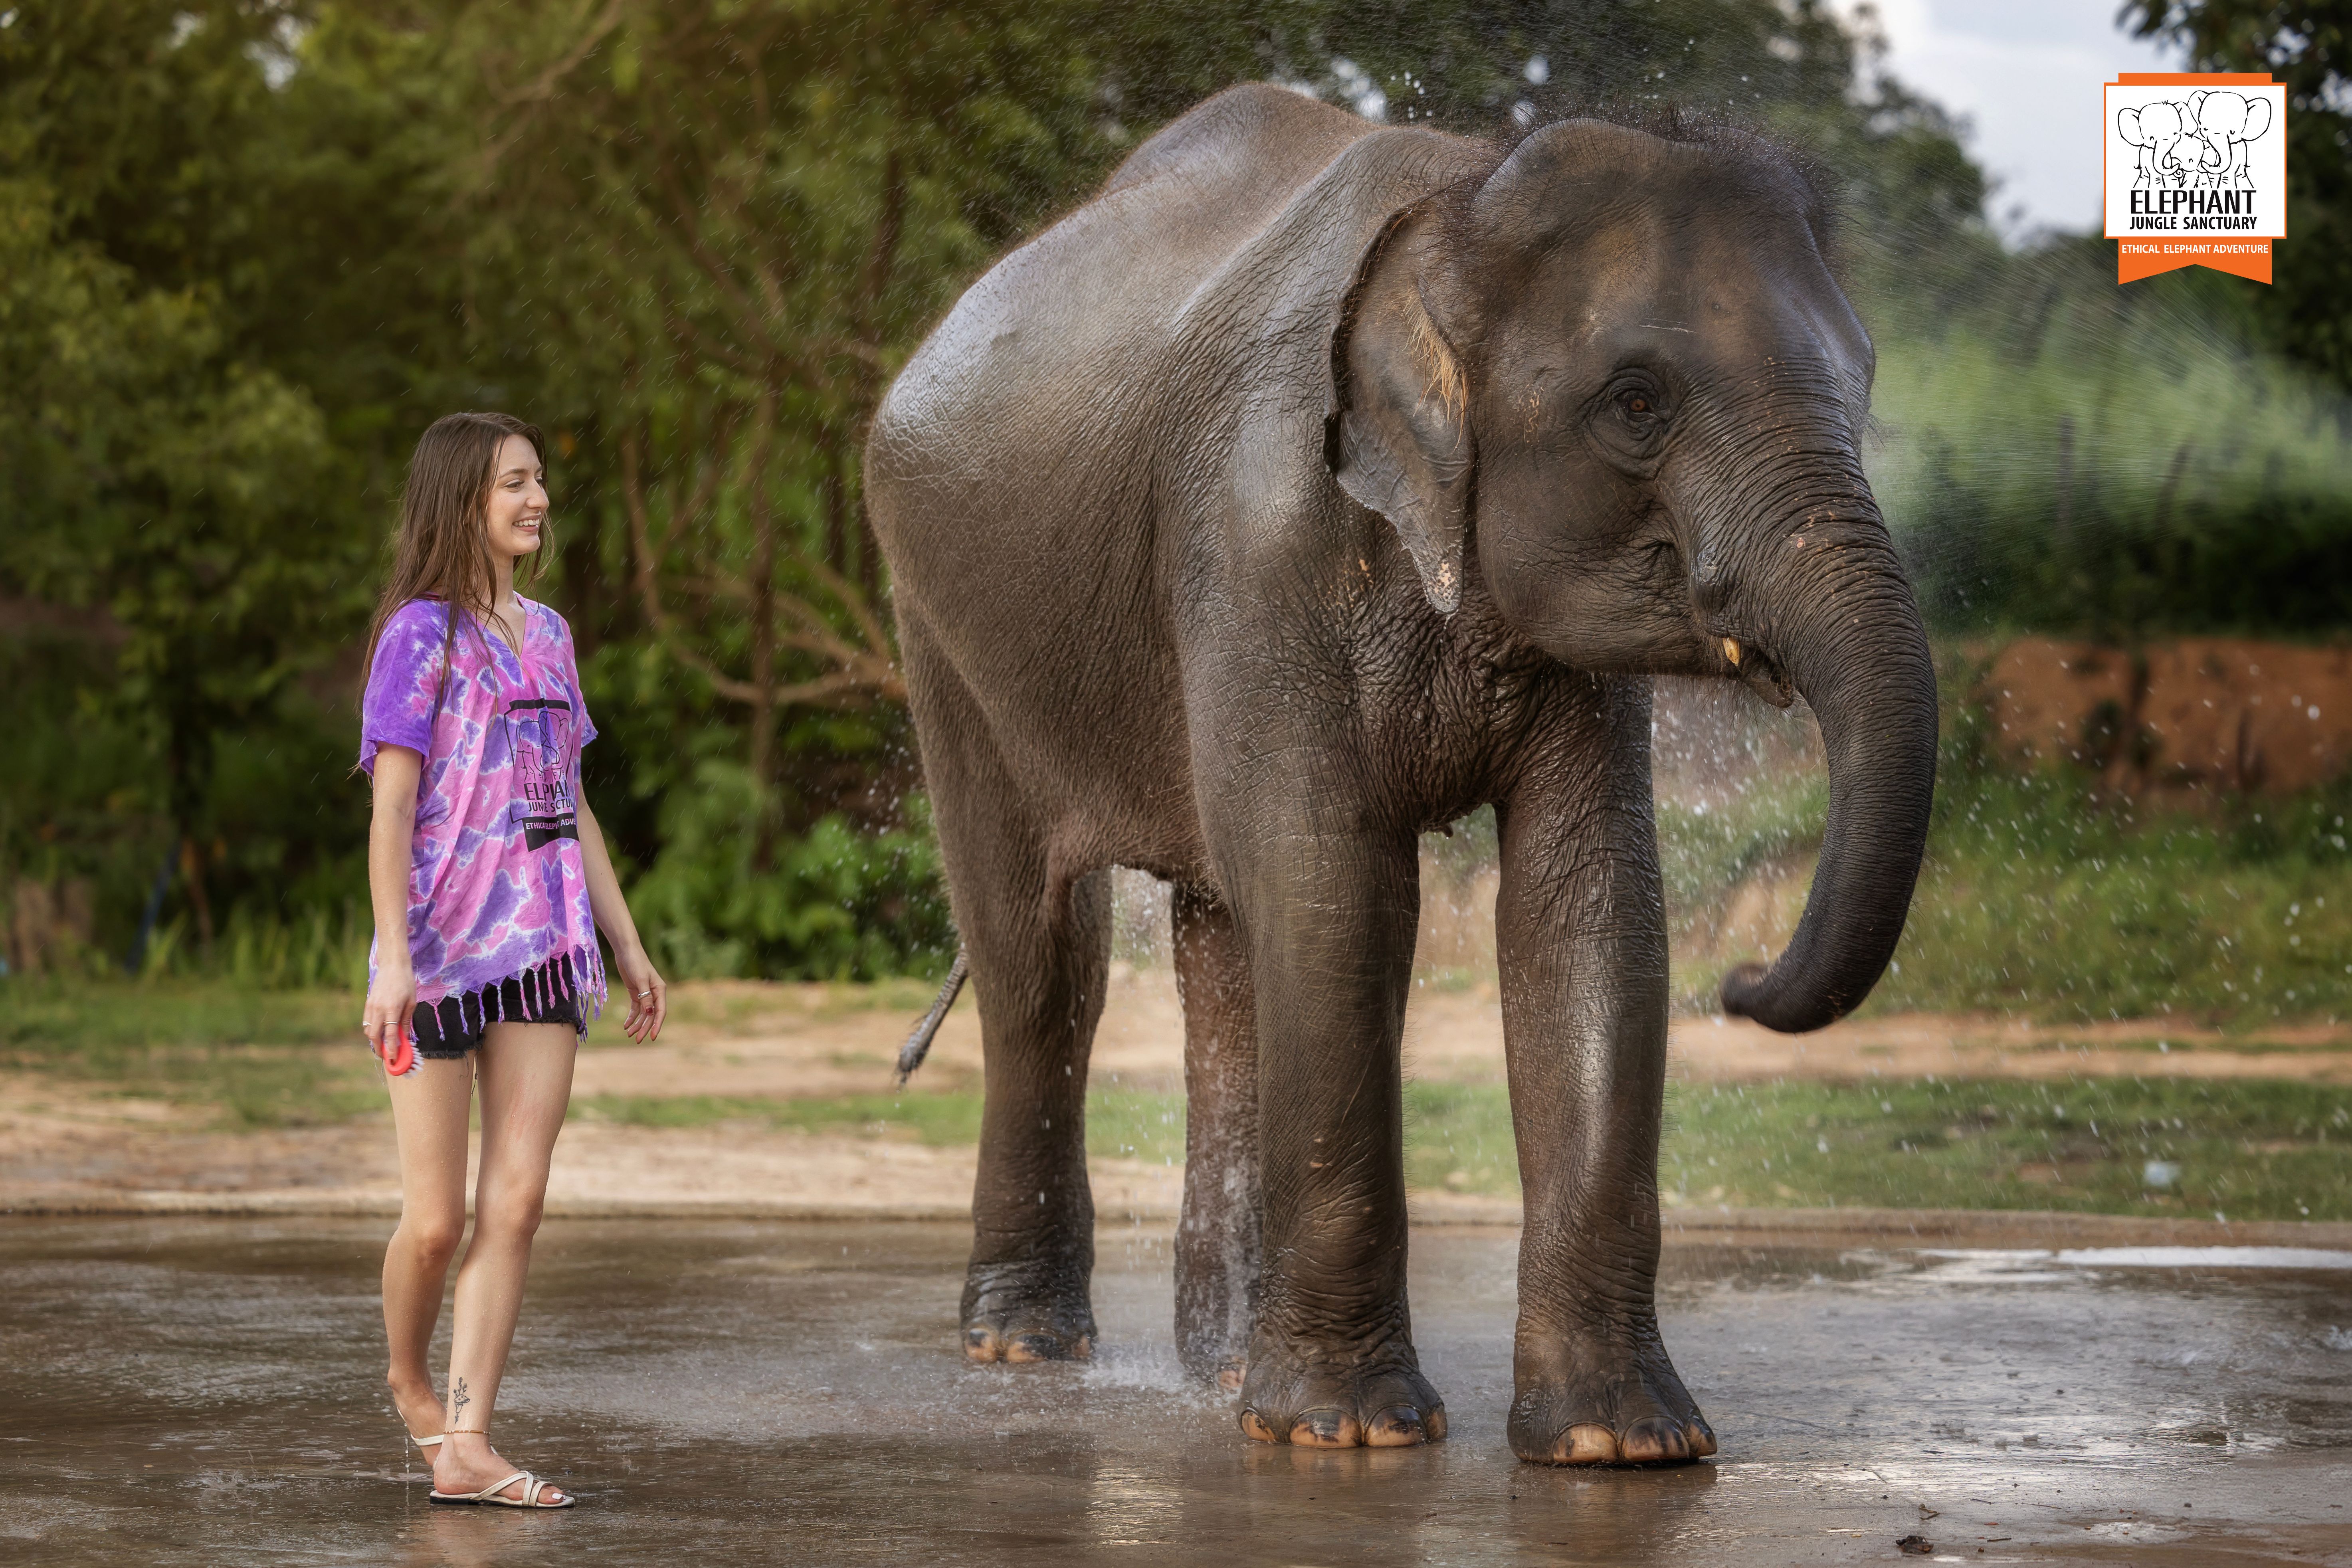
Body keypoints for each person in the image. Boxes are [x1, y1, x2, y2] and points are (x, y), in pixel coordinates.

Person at [357, 411, 665, 1509]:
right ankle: (409, 1388)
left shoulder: (551, 635)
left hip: (544, 949)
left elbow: (568, 798)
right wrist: (392, 958)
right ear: (463, 502)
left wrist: (624, 942)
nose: (537, 501)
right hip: (435, 958)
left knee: (518, 1204)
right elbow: (392, 808)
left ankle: (472, 1440)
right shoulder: (416, 638)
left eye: (538, 483)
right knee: (436, 1219)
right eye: (514, 485)